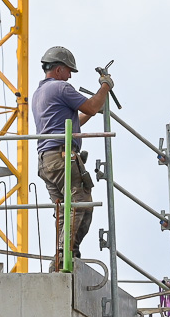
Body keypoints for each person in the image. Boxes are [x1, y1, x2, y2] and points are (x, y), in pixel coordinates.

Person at [31, 46, 113, 271]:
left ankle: (64, 257)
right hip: (62, 157)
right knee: (81, 205)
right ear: (58, 69)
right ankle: (65, 257)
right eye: (68, 71)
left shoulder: (40, 93)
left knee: (64, 211)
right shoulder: (61, 87)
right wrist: (105, 86)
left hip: (46, 160)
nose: (69, 76)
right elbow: (93, 106)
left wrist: (96, 104)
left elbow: (77, 120)